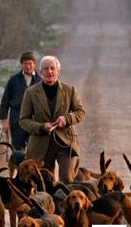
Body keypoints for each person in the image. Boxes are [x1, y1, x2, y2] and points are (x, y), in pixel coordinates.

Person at [18, 55, 85, 183]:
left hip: (65, 141)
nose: (49, 72)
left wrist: (67, 118)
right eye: (46, 69)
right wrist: (42, 127)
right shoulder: (31, 93)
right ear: (40, 72)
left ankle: (65, 202)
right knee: (45, 182)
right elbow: (23, 120)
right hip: (41, 144)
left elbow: (80, 112)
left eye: (52, 68)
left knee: (67, 179)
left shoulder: (69, 90)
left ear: (58, 71)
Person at [0, 51, 41, 151]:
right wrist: (4, 122)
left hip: (34, 121)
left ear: (34, 64)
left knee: (34, 150)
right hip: (16, 120)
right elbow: (5, 101)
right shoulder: (13, 80)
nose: (28, 66)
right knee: (18, 151)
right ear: (21, 64)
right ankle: (20, 167)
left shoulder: (40, 80)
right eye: (25, 64)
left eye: (30, 63)